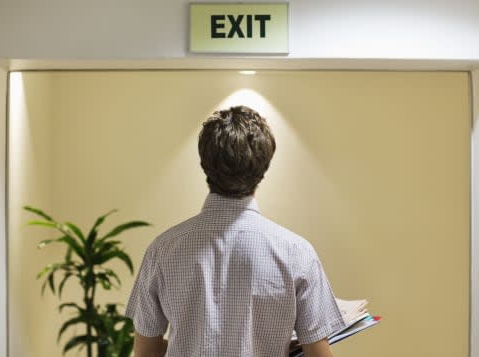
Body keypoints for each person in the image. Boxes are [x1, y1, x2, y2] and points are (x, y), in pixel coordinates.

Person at [125, 106, 345, 357]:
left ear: (204, 163)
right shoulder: (297, 253)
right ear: (264, 167)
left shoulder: (162, 250)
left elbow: (146, 352)